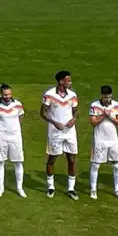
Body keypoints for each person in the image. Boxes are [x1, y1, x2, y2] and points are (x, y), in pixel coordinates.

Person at [41, 70, 79, 200]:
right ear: (61, 81)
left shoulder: (72, 95)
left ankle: (71, 189)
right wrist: (54, 122)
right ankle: (51, 187)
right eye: (68, 80)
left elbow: (75, 110)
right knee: (52, 159)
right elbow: (43, 113)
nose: (70, 82)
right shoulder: (49, 95)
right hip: (55, 132)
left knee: (72, 159)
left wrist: (74, 119)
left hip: (70, 133)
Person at [88, 85, 118, 200]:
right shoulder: (94, 106)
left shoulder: (116, 105)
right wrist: (103, 115)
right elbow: (93, 123)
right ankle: (93, 190)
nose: (107, 100)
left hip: (113, 140)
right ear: (101, 96)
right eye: (105, 97)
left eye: (109, 97)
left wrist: (110, 116)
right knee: (96, 165)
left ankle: (117, 190)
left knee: (117, 165)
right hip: (100, 140)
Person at [0, 84, 26, 198]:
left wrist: (14, 129)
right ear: (1, 94)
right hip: (1, 136)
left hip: (15, 136)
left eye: (9, 94)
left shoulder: (18, 105)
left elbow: (20, 118)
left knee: (18, 162)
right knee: (0, 161)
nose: (7, 96)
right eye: (5, 95)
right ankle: (1, 187)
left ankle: (19, 188)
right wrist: (1, 131)